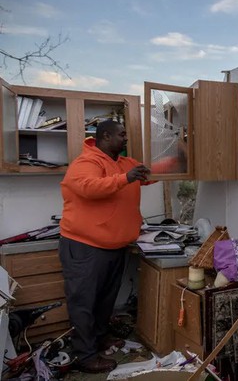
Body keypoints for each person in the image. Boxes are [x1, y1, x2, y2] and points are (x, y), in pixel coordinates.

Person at [59, 120, 151, 373]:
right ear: (106, 136)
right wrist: (125, 178)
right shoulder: (86, 162)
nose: (126, 139)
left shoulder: (124, 163)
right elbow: (88, 188)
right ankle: (85, 356)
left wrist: (180, 154)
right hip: (85, 246)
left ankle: (99, 339)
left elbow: (150, 173)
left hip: (115, 246)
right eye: (121, 135)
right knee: (84, 303)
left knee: (104, 301)